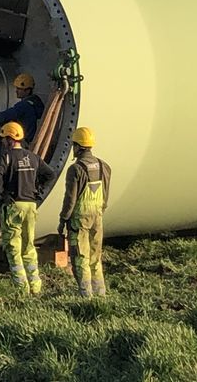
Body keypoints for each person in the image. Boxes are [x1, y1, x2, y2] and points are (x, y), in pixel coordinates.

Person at [0, 121, 55, 295]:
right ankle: (36, 286)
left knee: (13, 247)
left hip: (14, 206)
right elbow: (50, 174)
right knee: (28, 245)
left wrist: (3, 194)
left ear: (10, 139)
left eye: (4, 139)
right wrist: (39, 193)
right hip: (31, 205)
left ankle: (21, 288)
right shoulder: (32, 157)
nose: (3, 142)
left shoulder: (7, 157)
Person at [58, 127, 111, 297]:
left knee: (81, 257)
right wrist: (100, 210)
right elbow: (105, 194)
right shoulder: (104, 166)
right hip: (98, 217)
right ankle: (100, 293)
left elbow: (70, 198)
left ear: (78, 146)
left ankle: (86, 295)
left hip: (79, 220)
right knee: (96, 256)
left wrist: (63, 219)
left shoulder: (76, 169)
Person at [0, 73, 45, 144]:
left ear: (27, 91)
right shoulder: (36, 102)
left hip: (24, 142)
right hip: (33, 142)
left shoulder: (24, 105)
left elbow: (6, 116)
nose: (16, 91)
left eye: (19, 89)